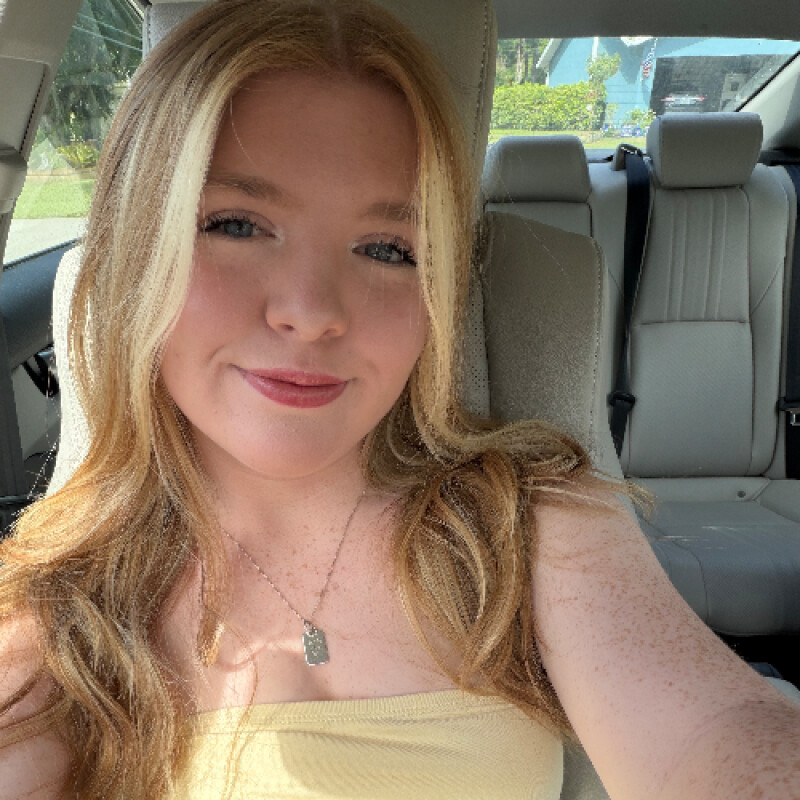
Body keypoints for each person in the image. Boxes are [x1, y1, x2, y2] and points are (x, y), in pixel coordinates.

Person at [1, 1, 799, 798]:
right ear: (137, 250)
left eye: (387, 249)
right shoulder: (64, 596)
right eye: (236, 226)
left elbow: (715, 730)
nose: (313, 312)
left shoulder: (526, 525)